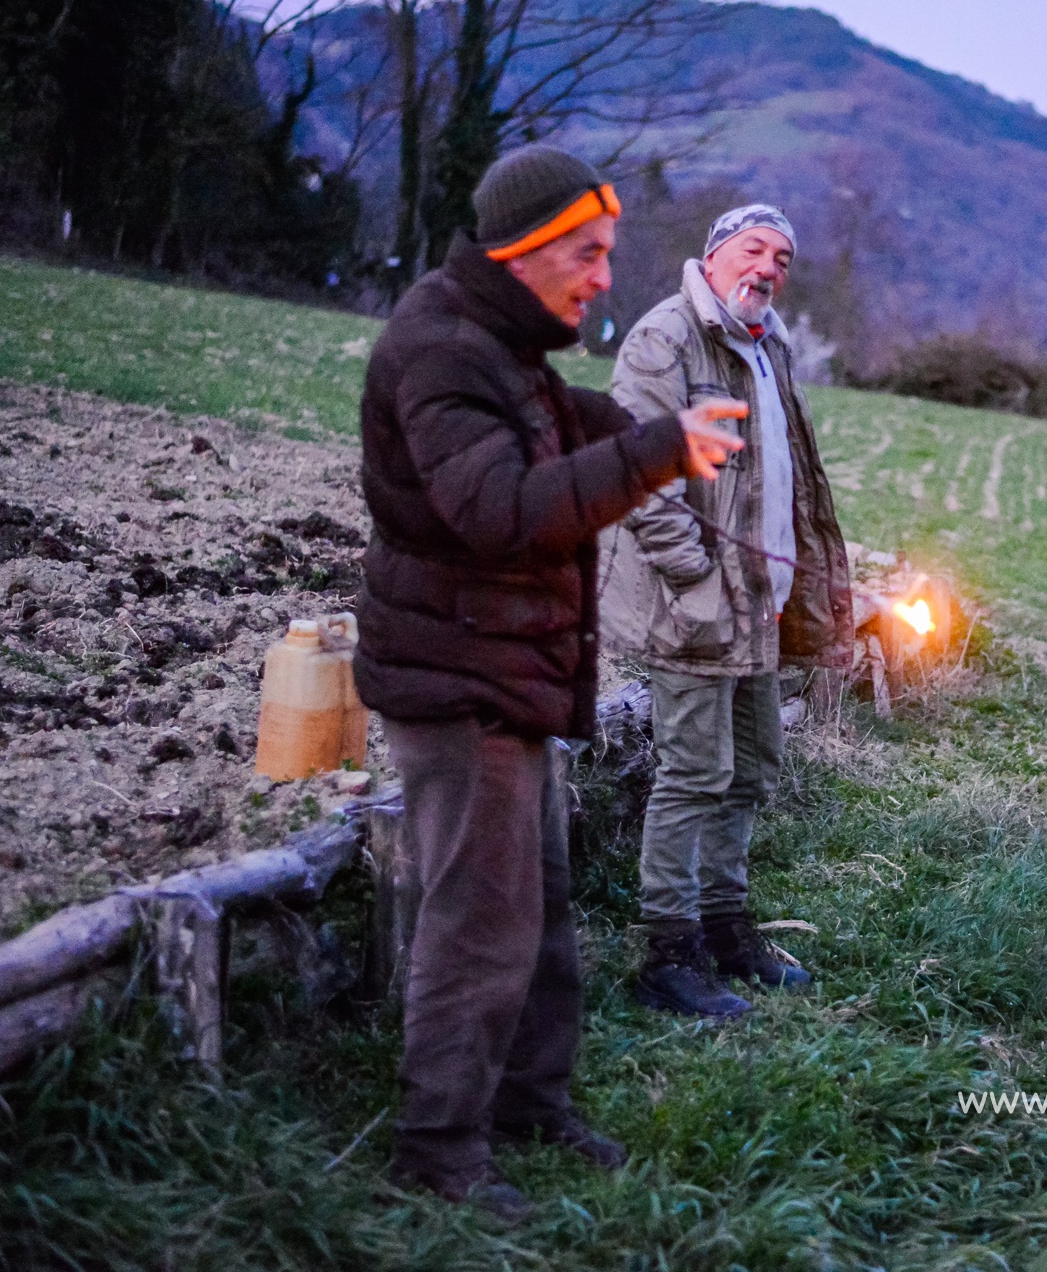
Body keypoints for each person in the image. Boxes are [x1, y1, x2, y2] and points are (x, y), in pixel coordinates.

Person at [353, 145, 746, 1221]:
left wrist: (631, 435)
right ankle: (437, 1149)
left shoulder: (502, 344)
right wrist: (654, 449)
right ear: (522, 251)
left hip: (506, 669)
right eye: (586, 252)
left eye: (609, 251)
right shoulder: (436, 347)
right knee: (479, 919)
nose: (603, 275)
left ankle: (528, 1104)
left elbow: (547, 422)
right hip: (455, 673)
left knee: (539, 908)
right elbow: (500, 511)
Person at [599, 203, 853, 1018]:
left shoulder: (769, 343)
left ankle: (727, 927)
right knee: (693, 773)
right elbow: (642, 477)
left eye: (784, 256)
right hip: (694, 607)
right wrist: (699, 581)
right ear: (713, 255)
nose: (770, 267)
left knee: (749, 770)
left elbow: (793, 479)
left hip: (760, 605)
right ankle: (667, 954)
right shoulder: (667, 338)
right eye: (755, 249)